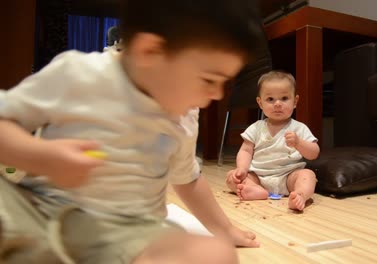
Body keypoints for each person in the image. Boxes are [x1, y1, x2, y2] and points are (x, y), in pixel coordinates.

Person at [0, 0, 265, 263]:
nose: (217, 94)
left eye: (223, 83)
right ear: (150, 51)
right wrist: (40, 156)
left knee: (216, 255)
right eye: (209, 80)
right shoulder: (78, 74)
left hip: (128, 235)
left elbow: (188, 180)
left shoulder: (184, 114)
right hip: (38, 212)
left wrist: (225, 230)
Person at [225, 71, 320, 211]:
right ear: (260, 103)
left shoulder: (299, 128)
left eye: (284, 98)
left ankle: (299, 196)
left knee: (308, 175)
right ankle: (255, 190)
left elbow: (314, 153)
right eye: (270, 99)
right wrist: (242, 169)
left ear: (295, 102)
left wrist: (299, 143)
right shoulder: (256, 128)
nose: (277, 104)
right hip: (258, 176)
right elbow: (245, 150)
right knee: (230, 177)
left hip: (288, 177)